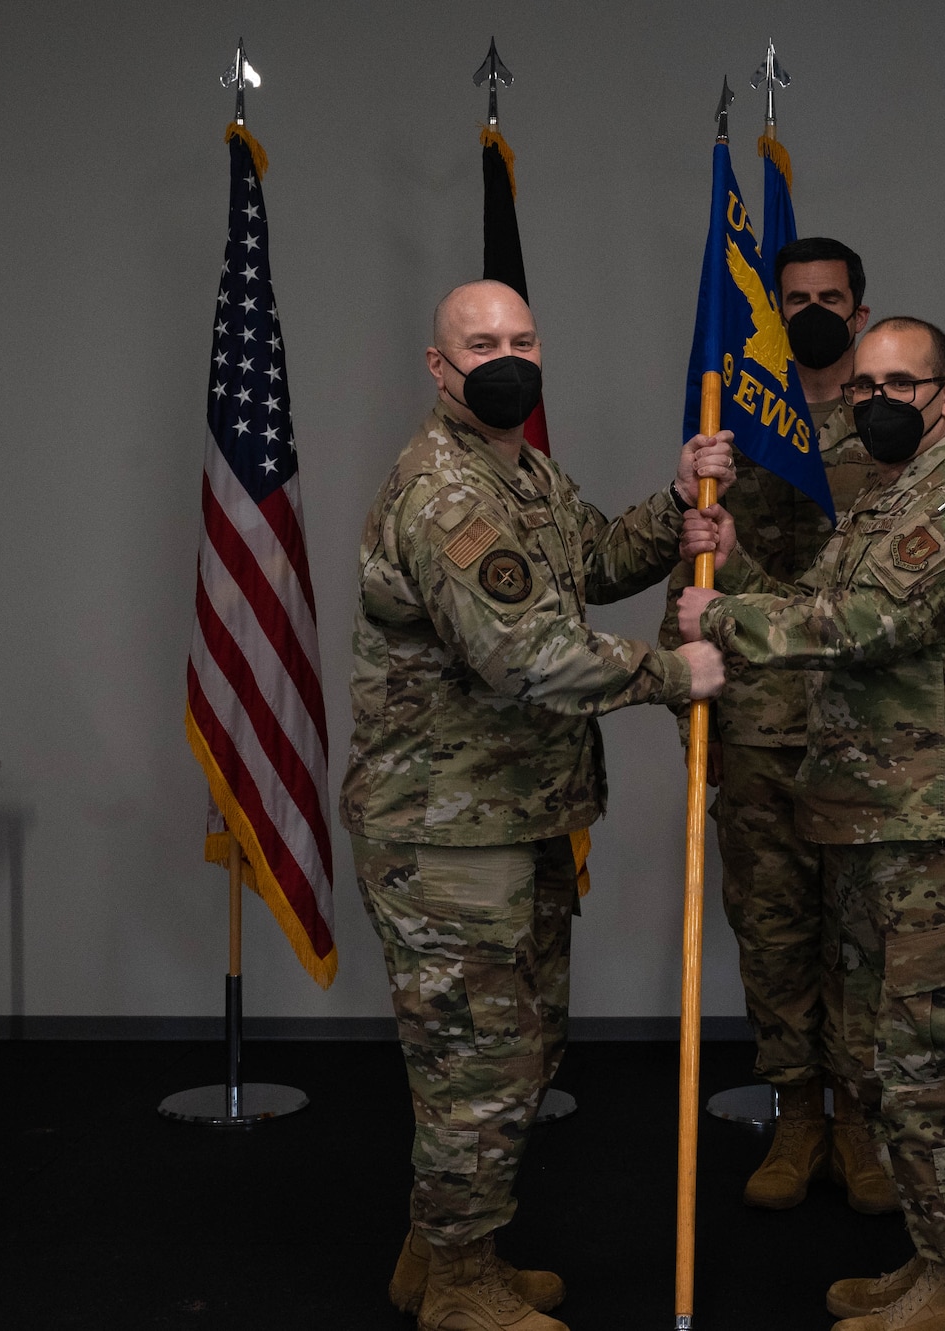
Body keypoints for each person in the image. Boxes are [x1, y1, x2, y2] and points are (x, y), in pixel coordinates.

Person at [339, 279, 733, 1331]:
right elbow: (526, 656)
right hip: (446, 827)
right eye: (479, 343)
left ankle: (440, 1251)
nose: (504, 356)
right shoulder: (445, 491)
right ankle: (461, 1285)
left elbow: (588, 561)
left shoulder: (517, 470)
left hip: (510, 814)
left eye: (521, 337)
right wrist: (670, 673)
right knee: (481, 1060)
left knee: (515, 1048)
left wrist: (676, 503)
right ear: (439, 367)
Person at [678, 316, 945, 1331]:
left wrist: (720, 620)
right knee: (897, 1060)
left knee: (942, 1061)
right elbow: (819, 604)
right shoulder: (888, 502)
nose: (875, 399)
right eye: (865, 383)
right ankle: (935, 1257)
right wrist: (737, 566)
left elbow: (871, 625)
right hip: (879, 822)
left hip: (941, 828)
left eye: (901, 383)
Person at [656, 236, 889, 1212]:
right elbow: (689, 588)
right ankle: (796, 1114)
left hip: (862, 729)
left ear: (861, 312)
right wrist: (689, 710)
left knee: (864, 937)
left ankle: (859, 1123)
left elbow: (881, 591)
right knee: (774, 933)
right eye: (792, 298)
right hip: (756, 730)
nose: (811, 312)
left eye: (829, 297)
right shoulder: (733, 432)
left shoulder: (891, 436)